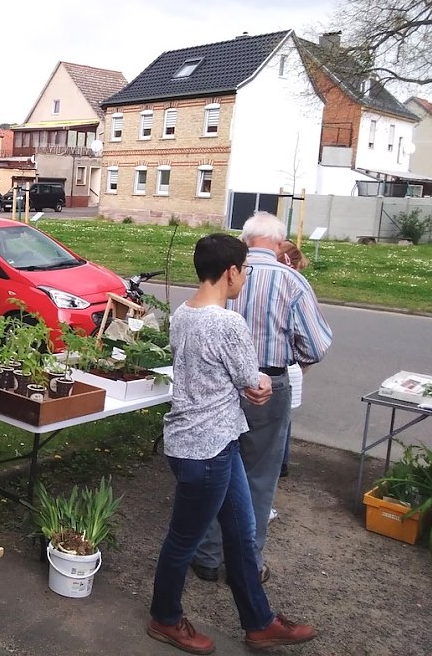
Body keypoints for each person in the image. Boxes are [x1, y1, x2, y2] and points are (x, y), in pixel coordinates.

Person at [147, 233, 316, 654]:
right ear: (231, 272)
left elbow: (217, 374)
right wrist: (258, 386)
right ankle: (164, 618)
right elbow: (251, 378)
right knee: (183, 540)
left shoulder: (184, 313)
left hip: (214, 441)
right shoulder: (227, 322)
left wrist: (248, 386)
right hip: (204, 451)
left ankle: (260, 622)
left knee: (241, 535)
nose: (245, 277)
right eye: (245, 269)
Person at [192, 212, 331, 584]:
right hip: (267, 387)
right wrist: (291, 362)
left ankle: (206, 556)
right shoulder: (291, 281)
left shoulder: (225, 275)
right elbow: (316, 346)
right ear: (279, 242)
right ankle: (246, 563)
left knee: (218, 467)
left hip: (218, 386)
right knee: (258, 476)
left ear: (245, 239)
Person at [276, 240, 310, 479]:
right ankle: (280, 463)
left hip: (287, 369)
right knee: (282, 421)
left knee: (281, 421)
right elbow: (311, 343)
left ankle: (280, 463)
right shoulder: (294, 290)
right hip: (287, 368)